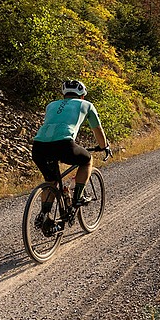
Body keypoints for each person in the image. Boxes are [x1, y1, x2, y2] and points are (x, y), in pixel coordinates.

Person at [31, 79, 111, 227]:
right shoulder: (86, 105)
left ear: (64, 94)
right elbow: (97, 130)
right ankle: (77, 198)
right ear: (82, 95)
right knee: (87, 160)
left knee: (51, 180)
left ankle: (44, 214)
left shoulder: (51, 105)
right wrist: (104, 146)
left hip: (38, 147)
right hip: (64, 144)